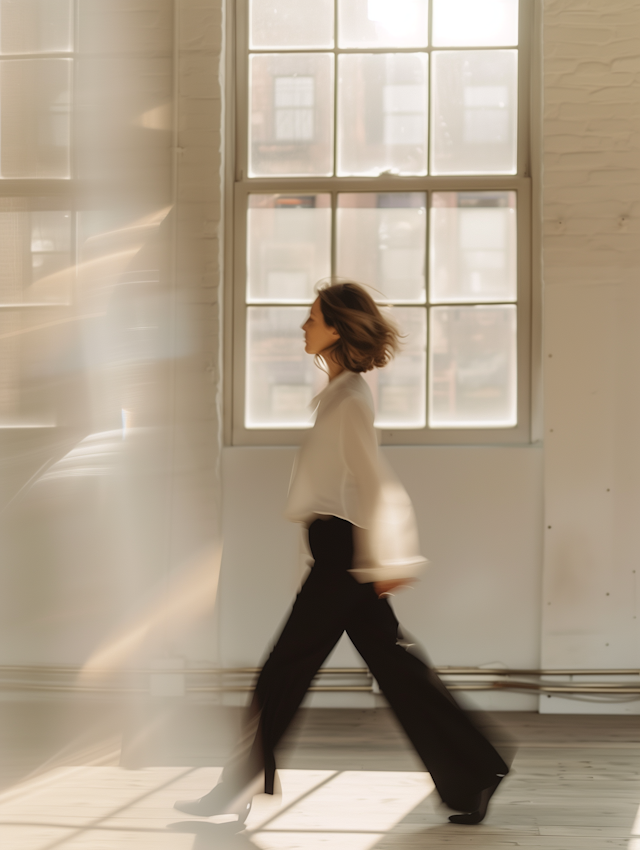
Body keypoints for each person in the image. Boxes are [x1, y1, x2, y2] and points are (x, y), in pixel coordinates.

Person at [175, 280, 509, 826]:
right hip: (341, 551)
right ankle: (475, 773)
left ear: (336, 328)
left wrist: (387, 561)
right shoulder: (339, 394)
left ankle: (235, 786)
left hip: (345, 555)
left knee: (282, 671)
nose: (302, 326)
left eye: (311, 318)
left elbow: (376, 483)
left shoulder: (350, 398)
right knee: (397, 667)